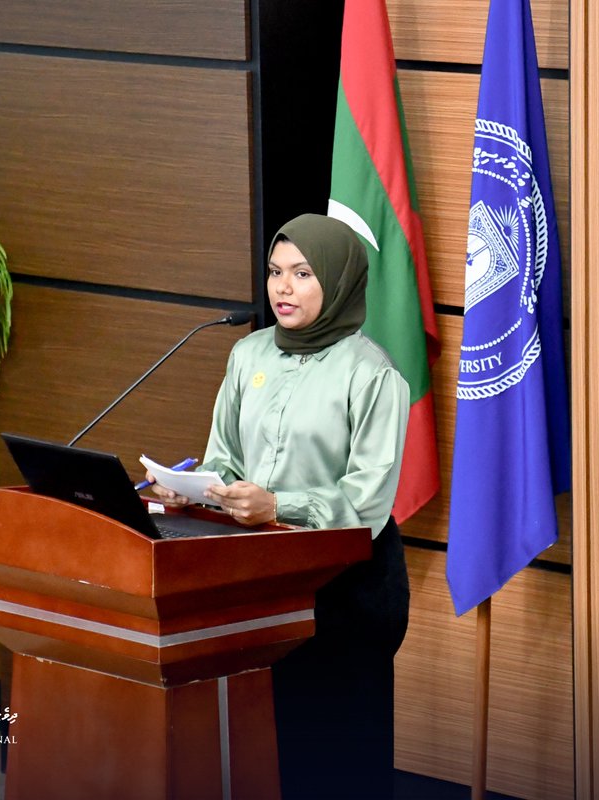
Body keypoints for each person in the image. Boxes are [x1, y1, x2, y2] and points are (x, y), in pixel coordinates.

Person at [149, 213, 411, 800]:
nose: (282, 288)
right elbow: (226, 458)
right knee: (271, 745)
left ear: (340, 282)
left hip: (346, 585)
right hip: (262, 575)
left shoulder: (373, 374)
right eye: (274, 272)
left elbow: (367, 503)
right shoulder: (249, 354)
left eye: (301, 273)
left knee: (337, 749)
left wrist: (277, 505)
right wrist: (192, 491)